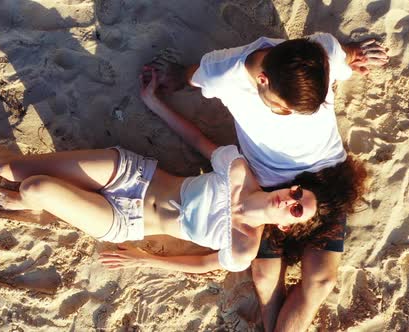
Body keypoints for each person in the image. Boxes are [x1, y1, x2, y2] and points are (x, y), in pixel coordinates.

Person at [0, 68, 364, 275]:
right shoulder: (239, 171)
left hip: (125, 222)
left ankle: (33, 202)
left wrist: (143, 260)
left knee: (35, 188)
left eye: (296, 209)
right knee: (12, 168)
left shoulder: (243, 248)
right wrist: (154, 102)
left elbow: (204, 267)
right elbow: (199, 139)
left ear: (289, 226)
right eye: (297, 193)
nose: (289, 198)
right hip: (134, 175)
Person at [149, 32, 387, 331]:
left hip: (327, 178)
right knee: (264, 280)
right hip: (268, 189)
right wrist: (177, 76)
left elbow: (344, 55)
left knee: (322, 280)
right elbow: (193, 76)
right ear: (263, 80)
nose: (288, 115)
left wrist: (354, 53)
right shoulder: (223, 73)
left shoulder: (320, 54)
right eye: (284, 107)